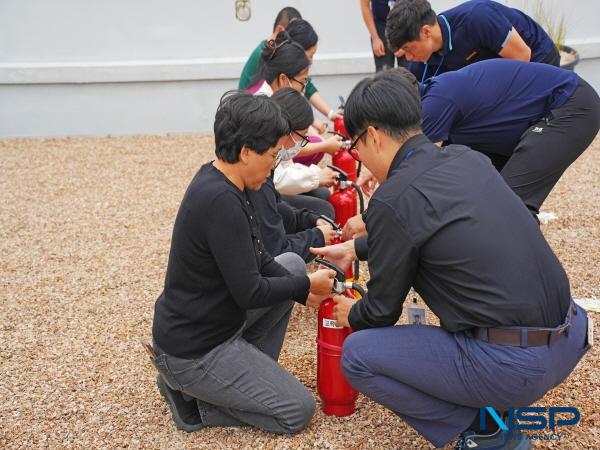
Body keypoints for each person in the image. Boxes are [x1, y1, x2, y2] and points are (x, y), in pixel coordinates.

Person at [310, 70, 591, 449]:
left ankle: (485, 431)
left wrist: (349, 314)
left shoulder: (394, 198)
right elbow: (432, 230)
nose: (358, 156)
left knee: (359, 356)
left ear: (373, 134)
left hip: (518, 368)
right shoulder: (465, 158)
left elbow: (379, 312)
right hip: (571, 336)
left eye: (356, 146)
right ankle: (493, 405)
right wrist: (356, 249)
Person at [151, 91, 336, 434]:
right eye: (272, 154)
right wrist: (305, 287)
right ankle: (196, 405)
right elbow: (250, 291)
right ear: (246, 151)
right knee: (297, 411)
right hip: (195, 349)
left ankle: (239, 381)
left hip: (213, 321)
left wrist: (302, 287)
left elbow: (261, 257)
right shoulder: (221, 201)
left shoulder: (223, 179)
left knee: (293, 266)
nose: (276, 162)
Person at [251, 34, 342, 218]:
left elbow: (285, 163)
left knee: (323, 195)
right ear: (284, 79)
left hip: (269, 185)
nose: (304, 89)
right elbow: (274, 178)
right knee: (324, 211)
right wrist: (315, 177)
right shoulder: (264, 113)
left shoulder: (275, 102)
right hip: (259, 194)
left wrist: (316, 175)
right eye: (303, 81)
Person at [247, 87, 337, 262]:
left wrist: (313, 221)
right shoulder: (258, 176)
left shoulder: (263, 159)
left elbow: (278, 206)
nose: (302, 145)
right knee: (292, 264)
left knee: (320, 210)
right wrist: (316, 236)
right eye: (303, 136)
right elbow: (275, 250)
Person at [386, 0, 560, 82]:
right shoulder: (421, 61)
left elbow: (522, 56)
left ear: (426, 32)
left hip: (537, 58)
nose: (407, 57)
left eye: (408, 48)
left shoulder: (477, 18)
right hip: (496, 71)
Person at [239, 10, 341, 133]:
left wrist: (329, 115)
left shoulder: (276, 56)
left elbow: (306, 86)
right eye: (310, 55)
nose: (310, 61)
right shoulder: (268, 62)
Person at [359, 0, 408, 72]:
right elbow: (365, 6)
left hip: (406, 27)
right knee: (384, 74)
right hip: (381, 29)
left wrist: (408, 39)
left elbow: (417, 6)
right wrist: (375, 38)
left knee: (408, 74)